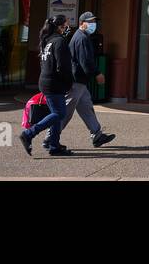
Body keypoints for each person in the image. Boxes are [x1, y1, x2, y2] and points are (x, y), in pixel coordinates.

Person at [20, 15, 74, 157]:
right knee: (59, 114)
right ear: (60, 26)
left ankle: (54, 145)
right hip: (55, 83)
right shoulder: (59, 42)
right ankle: (28, 134)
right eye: (66, 25)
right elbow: (63, 66)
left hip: (46, 81)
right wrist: (69, 82)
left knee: (55, 114)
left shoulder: (47, 40)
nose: (68, 28)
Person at [64, 12, 115, 147]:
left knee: (86, 107)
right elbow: (85, 61)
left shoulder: (82, 36)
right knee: (66, 112)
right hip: (76, 81)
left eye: (94, 21)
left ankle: (97, 135)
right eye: (90, 22)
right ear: (82, 23)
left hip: (80, 81)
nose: (93, 24)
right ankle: (50, 138)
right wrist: (97, 74)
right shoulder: (82, 38)